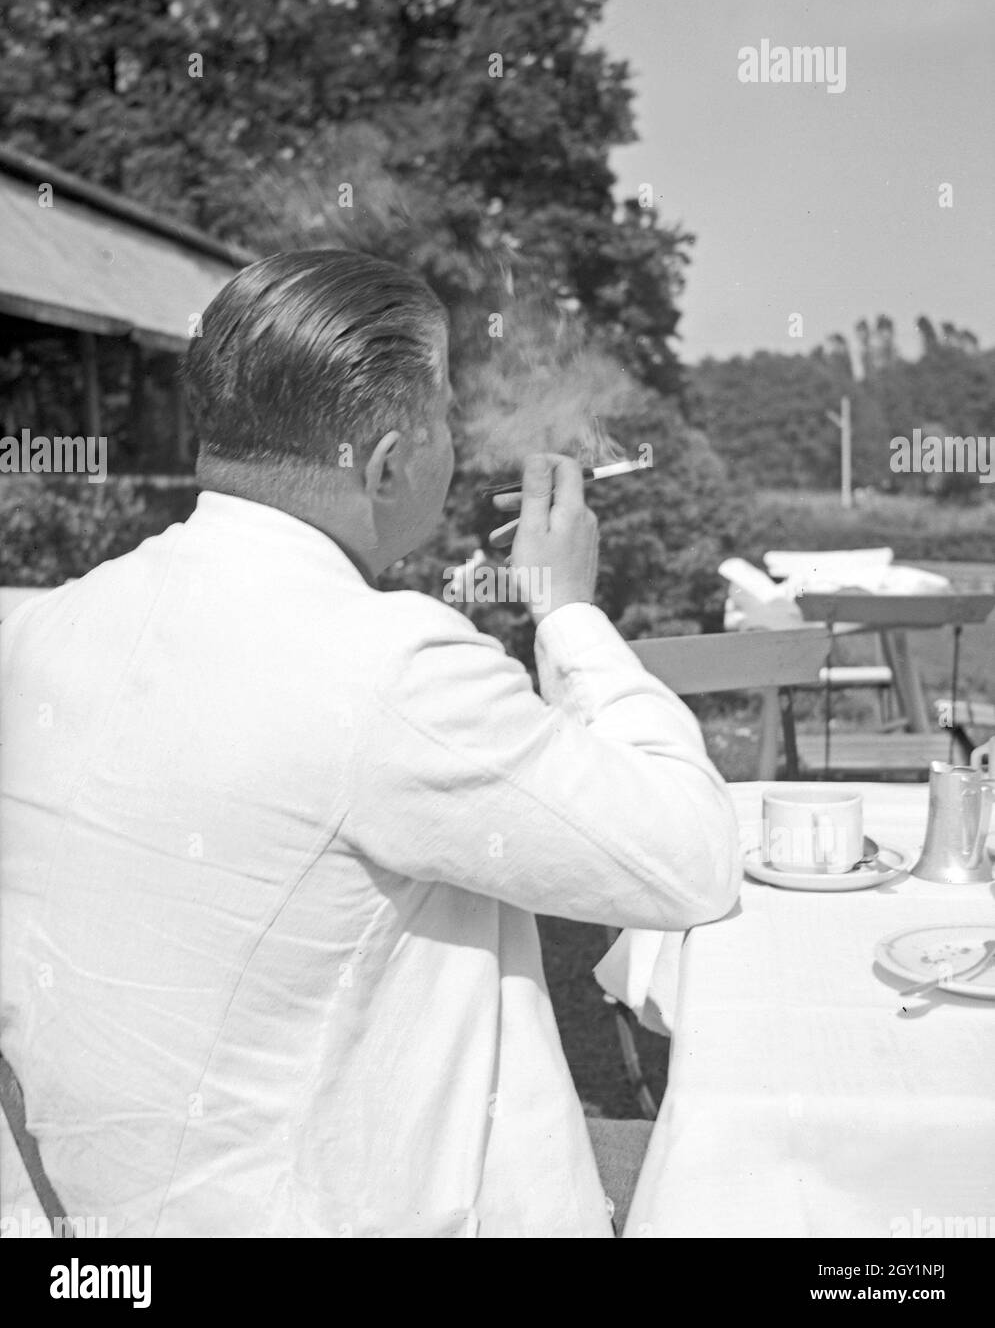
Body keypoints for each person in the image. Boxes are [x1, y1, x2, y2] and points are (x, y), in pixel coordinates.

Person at [0, 250, 741, 1238]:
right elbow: (688, 855)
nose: (454, 444)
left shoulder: (39, 632)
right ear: (390, 461)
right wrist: (568, 615)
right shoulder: (393, 670)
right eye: (443, 417)